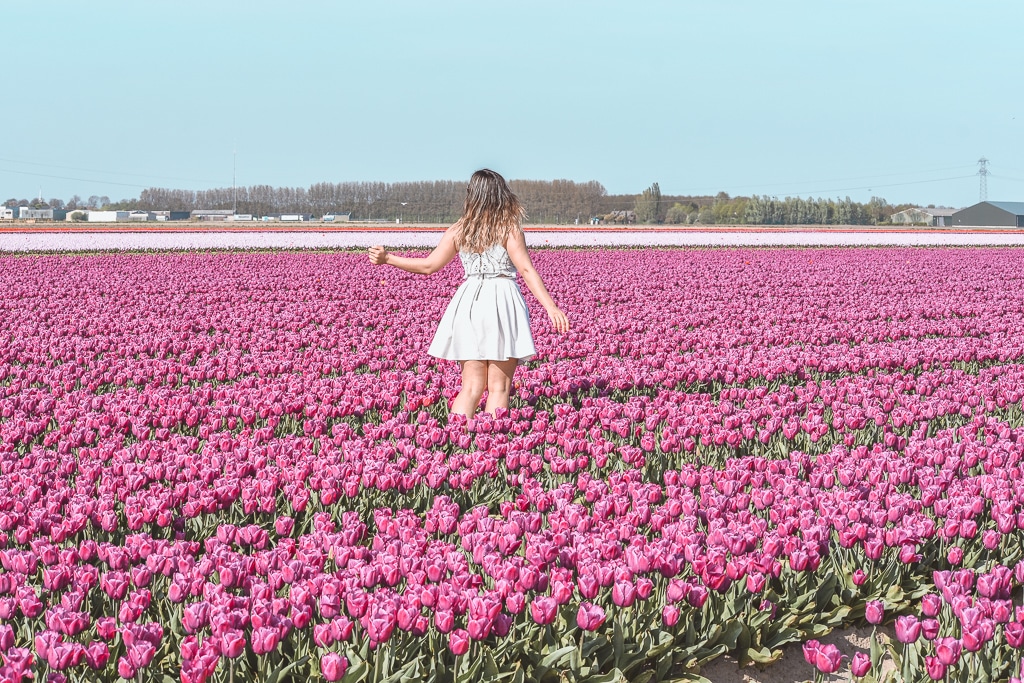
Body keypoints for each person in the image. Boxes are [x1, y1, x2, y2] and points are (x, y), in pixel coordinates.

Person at [368, 169, 570, 417]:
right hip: (502, 301)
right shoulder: (509, 229)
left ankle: (459, 441)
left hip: (469, 303)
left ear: (472, 195)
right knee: (499, 387)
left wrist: (388, 258)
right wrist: (551, 306)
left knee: (471, 387)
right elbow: (526, 270)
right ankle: (492, 443)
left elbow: (428, 266)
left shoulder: (459, 230)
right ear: (501, 194)